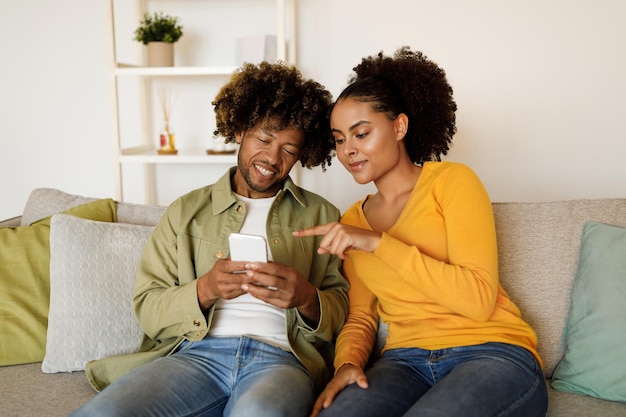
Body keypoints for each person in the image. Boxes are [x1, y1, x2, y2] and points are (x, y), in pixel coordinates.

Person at [71, 61, 349, 417]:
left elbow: (343, 309)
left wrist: (307, 297)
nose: (272, 158)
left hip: (281, 361)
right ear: (239, 130)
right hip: (197, 356)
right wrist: (206, 289)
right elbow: (148, 310)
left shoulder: (322, 216)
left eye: (289, 149)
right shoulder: (185, 211)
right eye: (264, 138)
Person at [294, 47, 548, 417]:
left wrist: (380, 244)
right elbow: (362, 315)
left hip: (492, 351)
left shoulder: (452, 182)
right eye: (339, 139)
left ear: (399, 126)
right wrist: (347, 363)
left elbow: (477, 298)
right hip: (404, 363)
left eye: (361, 133)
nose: (349, 150)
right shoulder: (353, 219)